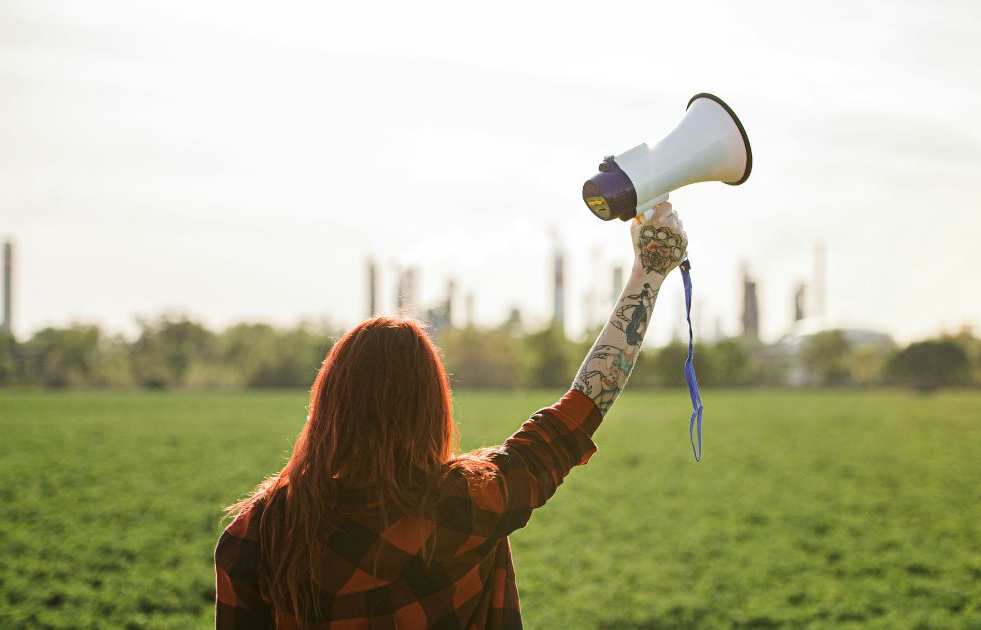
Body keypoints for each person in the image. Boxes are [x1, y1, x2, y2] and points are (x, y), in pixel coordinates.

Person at [215, 203, 688, 629]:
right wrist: (648, 273)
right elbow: (583, 406)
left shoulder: (257, 531)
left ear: (328, 405)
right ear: (431, 408)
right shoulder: (469, 503)